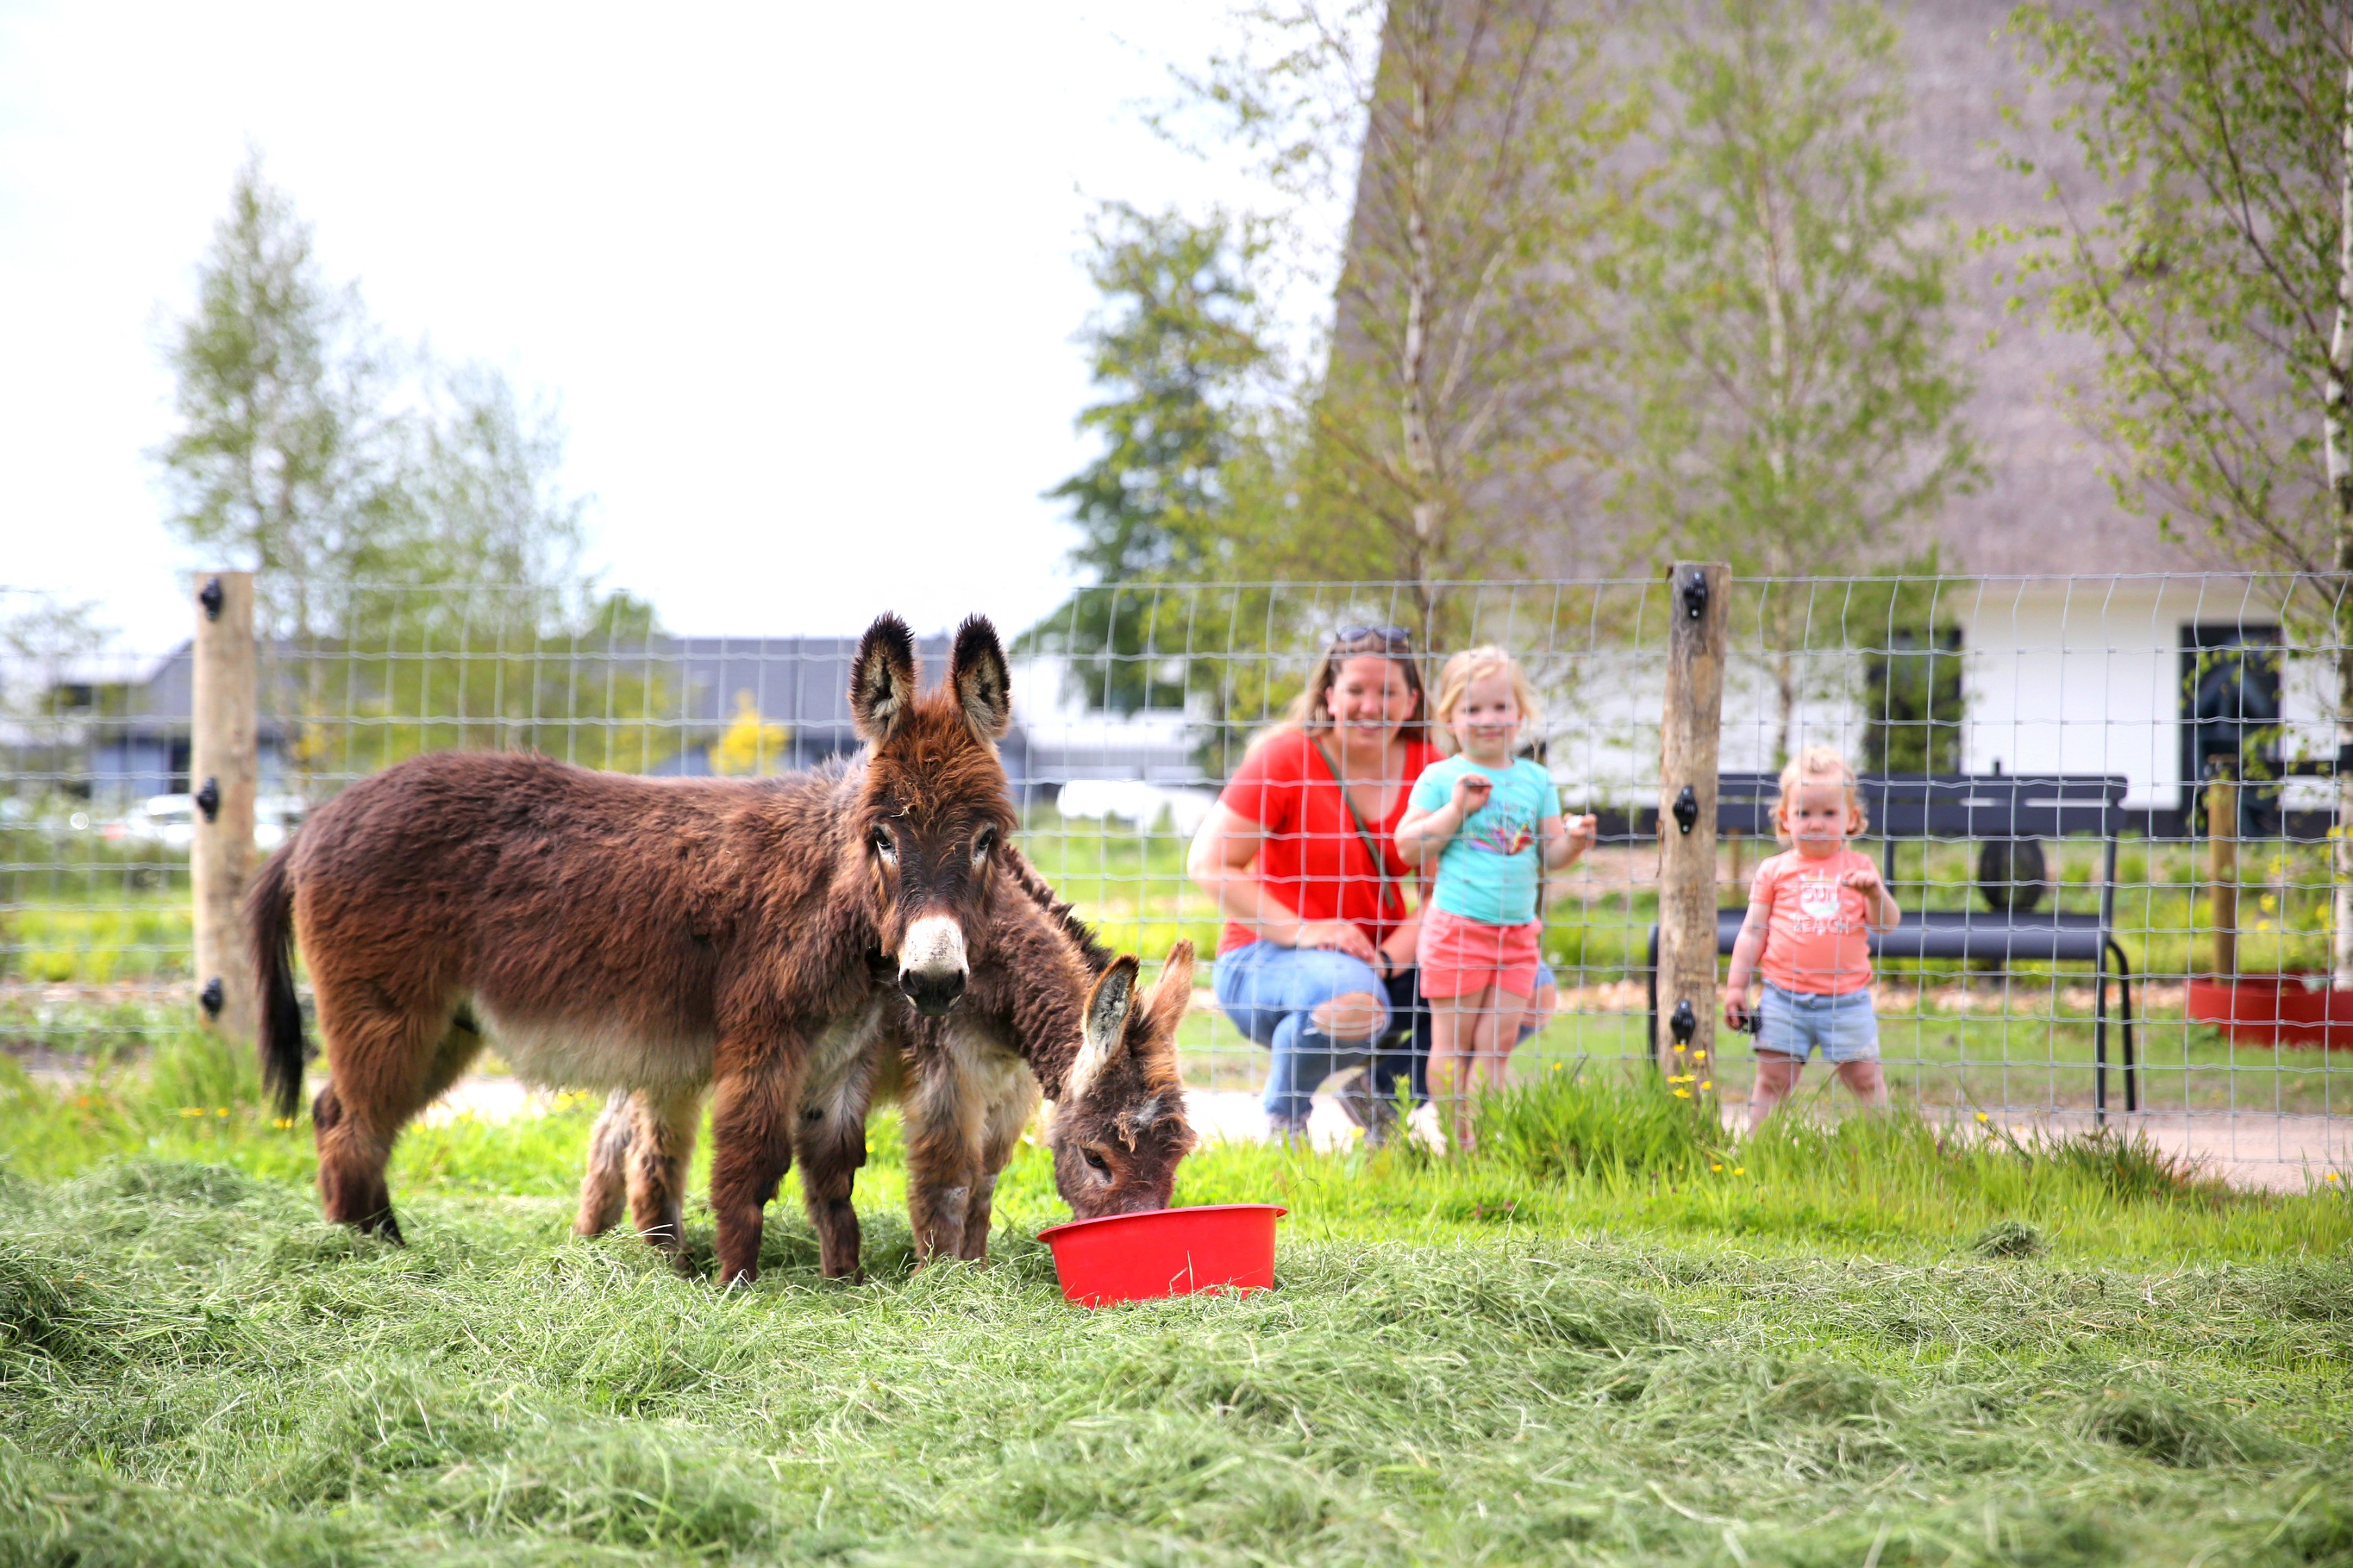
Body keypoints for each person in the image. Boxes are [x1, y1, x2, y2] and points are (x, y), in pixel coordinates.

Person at [1188, 625, 1558, 1143]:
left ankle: (1380, 1097)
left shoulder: (1434, 769)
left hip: (1379, 957)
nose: (1371, 706)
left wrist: (1387, 959)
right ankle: (1284, 1117)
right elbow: (1208, 863)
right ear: (1329, 697)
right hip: (1266, 955)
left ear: (1412, 701)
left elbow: (1443, 892)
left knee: (1531, 989)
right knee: (1354, 1001)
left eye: (1388, 692)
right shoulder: (1285, 758)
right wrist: (1305, 931)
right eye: (1356, 690)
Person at [1394, 647, 1596, 1151]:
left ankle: (1482, 1145)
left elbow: (1550, 853)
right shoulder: (1441, 778)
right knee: (1453, 1043)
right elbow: (1408, 846)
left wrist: (1575, 840)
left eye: (1501, 706)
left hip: (1517, 935)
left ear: (1520, 714)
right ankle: (1456, 1143)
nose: (1488, 719)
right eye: (1473, 709)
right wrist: (1456, 809)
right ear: (1450, 719)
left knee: (1496, 1045)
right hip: (1458, 931)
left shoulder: (1536, 780)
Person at [1721, 747, 1900, 1122]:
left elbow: (1886, 924)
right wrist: (1737, 986)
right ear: (1785, 820)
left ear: (1851, 819)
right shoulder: (1774, 871)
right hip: (1783, 998)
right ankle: (1759, 1150)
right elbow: (1752, 932)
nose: (1816, 824)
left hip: (1847, 1000)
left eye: (1829, 814)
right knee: (1772, 1081)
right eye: (1804, 813)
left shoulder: (1860, 868)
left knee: (1866, 1080)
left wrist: (1875, 894)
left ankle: (1882, 1147)